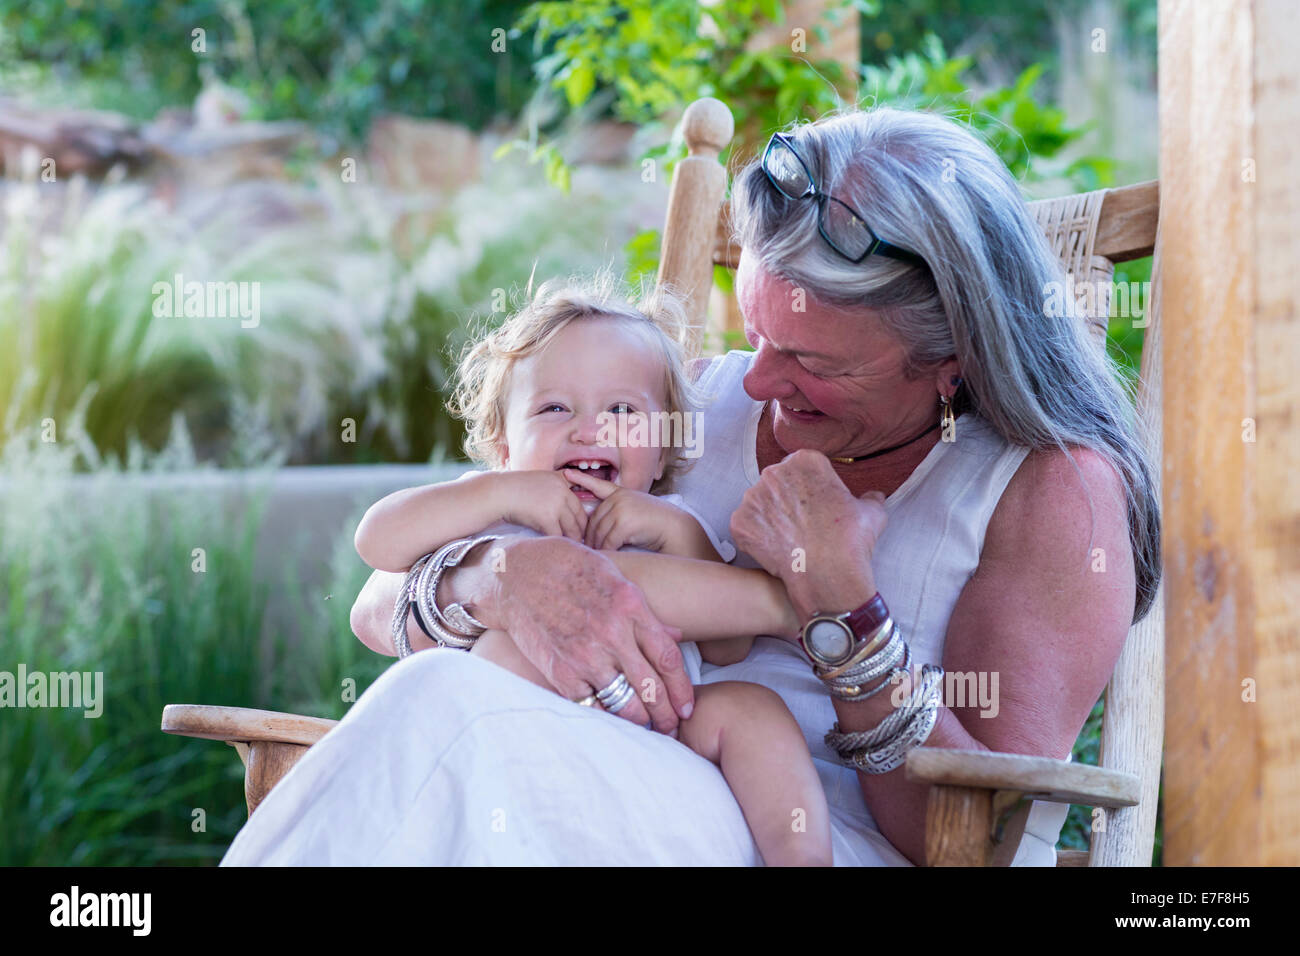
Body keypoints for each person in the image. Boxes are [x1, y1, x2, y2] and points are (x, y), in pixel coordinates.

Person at [222, 105, 1160, 867]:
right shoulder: (665, 408)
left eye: (803, 358)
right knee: (441, 714)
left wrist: (842, 604)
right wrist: (499, 575)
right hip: (583, 780)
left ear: (950, 358)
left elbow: (982, 838)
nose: (751, 381)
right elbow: (379, 604)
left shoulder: (1051, 495)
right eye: (755, 334)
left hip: (813, 840)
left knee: (448, 726)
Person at [349, 274, 831, 865]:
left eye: (623, 410)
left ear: (661, 452)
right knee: (505, 652)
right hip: (528, 731)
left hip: (665, 722)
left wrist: (676, 533)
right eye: (553, 408)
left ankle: (801, 856)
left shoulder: (672, 519)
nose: (590, 428)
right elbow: (376, 540)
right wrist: (494, 497)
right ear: (503, 446)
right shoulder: (490, 505)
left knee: (755, 712)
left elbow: (730, 648)